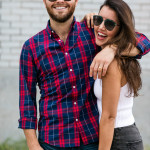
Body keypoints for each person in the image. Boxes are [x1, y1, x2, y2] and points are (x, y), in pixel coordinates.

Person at [18, 0, 150, 149]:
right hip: (53, 141)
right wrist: (32, 143)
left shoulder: (92, 34)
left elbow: (143, 41)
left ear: (75, 1)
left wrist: (112, 49)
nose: (60, 1)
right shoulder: (31, 47)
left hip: (91, 139)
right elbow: (26, 100)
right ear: (44, 1)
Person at [92, 0, 148, 149]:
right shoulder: (117, 55)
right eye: (98, 20)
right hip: (122, 135)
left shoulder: (112, 63)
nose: (101, 27)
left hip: (119, 138)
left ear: (120, 29)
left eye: (109, 24)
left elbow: (109, 117)